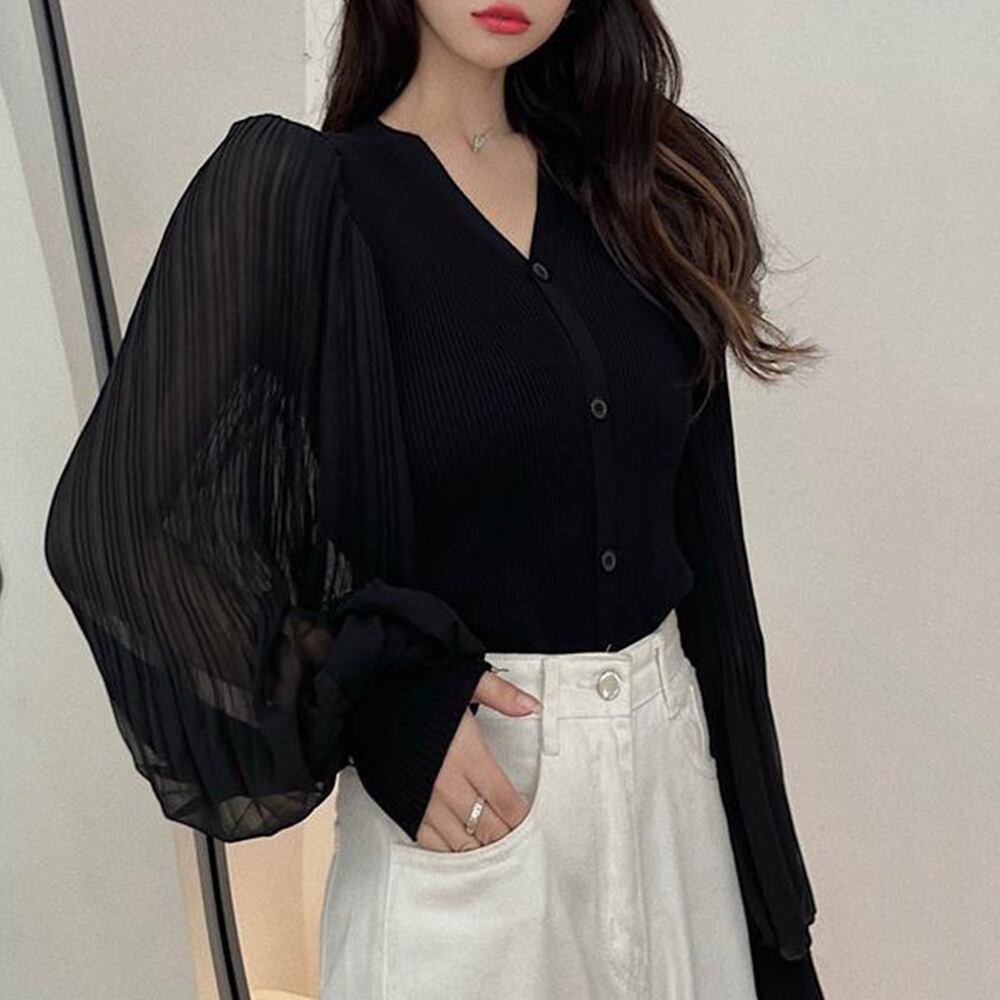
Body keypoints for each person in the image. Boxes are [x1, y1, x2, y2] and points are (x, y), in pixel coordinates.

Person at [44, 1, 826, 997]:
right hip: (474, 819)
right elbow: (115, 531)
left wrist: (775, 925)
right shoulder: (307, 199)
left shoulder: (642, 182)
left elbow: (714, 576)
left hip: (677, 799)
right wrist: (375, 702)